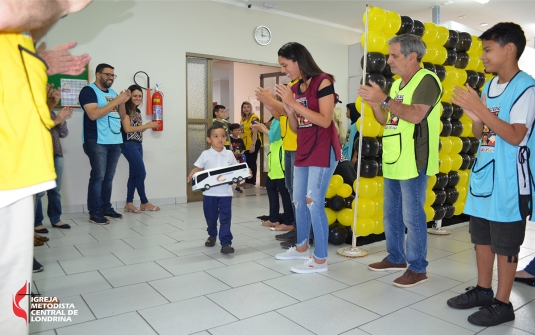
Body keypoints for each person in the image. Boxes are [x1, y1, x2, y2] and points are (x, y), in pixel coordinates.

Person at [0, 0, 92, 333]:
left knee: (11, 286)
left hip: (16, 158)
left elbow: (15, 25)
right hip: (8, 161)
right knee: (10, 288)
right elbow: (8, 12)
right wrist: (64, 4)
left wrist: (40, 61)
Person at [446, 22, 535, 327]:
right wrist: (474, 115)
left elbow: (514, 135)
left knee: (506, 244)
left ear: (509, 49)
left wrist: (480, 110)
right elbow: (481, 132)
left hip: (509, 181)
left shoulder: (527, 88)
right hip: (485, 173)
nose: (482, 56)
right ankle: (484, 291)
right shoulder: (488, 87)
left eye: (487, 49)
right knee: (481, 238)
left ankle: (503, 302)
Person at [358, 34, 442, 287]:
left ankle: (418, 268)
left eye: (394, 55)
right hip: (394, 158)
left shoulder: (426, 80)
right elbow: (389, 121)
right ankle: (396, 257)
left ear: (412, 56)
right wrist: (375, 104)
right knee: (390, 214)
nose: (389, 60)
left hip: (414, 160)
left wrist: (383, 99)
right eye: (389, 55)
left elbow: (415, 116)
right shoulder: (396, 85)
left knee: (412, 217)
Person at [273, 42, 341, 274]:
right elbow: (295, 127)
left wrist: (293, 104)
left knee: (313, 202)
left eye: (285, 65)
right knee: (299, 201)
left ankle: (320, 259)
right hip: (304, 147)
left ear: (298, 60)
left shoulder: (323, 81)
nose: (284, 70)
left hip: (323, 149)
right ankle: (301, 247)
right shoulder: (296, 87)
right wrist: (290, 110)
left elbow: (324, 120)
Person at [79, 63, 131, 225]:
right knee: (98, 177)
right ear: (98, 74)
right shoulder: (88, 91)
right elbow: (93, 114)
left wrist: (122, 102)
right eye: (107, 74)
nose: (110, 78)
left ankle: (106, 208)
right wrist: (115, 100)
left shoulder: (113, 93)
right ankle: (94, 213)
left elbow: (122, 116)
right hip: (96, 140)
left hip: (114, 141)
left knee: (108, 177)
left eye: (112, 75)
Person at [187, 124, 249, 254]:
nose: (220, 139)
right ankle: (212, 234)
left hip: (225, 193)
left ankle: (226, 242)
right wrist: (193, 172)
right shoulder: (205, 154)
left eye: (222, 136)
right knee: (211, 217)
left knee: (225, 218)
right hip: (209, 194)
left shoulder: (229, 154)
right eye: (216, 136)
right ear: (208, 139)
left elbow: (236, 169)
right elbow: (198, 167)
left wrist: (245, 173)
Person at [256, 81, 300, 248]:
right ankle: (295, 227)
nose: (284, 70)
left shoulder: (295, 100)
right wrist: (268, 101)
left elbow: (289, 112)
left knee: (294, 193)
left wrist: (271, 101)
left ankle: (296, 227)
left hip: (293, 149)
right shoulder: (280, 113)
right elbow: (278, 113)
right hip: (287, 150)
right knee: (289, 190)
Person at [34, 85, 73, 233]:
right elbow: (39, 130)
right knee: (38, 192)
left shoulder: (50, 112)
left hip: (56, 154)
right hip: (40, 156)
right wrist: (56, 120)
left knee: (55, 190)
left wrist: (61, 120)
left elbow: (63, 133)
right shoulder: (34, 111)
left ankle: (56, 219)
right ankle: (37, 222)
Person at [118, 84, 159, 214]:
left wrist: (146, 127)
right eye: (135, 96)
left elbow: (136, 130)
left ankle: (129, 203)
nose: (137, 98)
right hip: (127, 144)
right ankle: (144, 201)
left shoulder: (138, 111)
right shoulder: (125, 109)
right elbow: (127, 129)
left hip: (137, 144)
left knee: (134, 174)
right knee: (141, 173)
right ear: (129, 96)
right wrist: (146, 125)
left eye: (140, 96)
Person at [251, 118, 294, 230]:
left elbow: (274, 136)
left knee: (285, 192)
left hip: (280, 162)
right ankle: (274, 219)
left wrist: (262, 128)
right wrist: (262, 128)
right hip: (274, 161)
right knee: (270, 187)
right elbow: (272, 134)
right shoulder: (276, 120)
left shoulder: (282, 119)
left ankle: (289, 222)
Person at [240, 101, 262, 188]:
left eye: (248, 107)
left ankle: (252, 182)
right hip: (245, 143)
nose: (246, 109)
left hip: (253, 142)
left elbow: (255, 132)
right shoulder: (243, 119)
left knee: (252, 162)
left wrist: (253, 144)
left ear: (251, 108)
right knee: (246, 162)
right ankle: (247, 180)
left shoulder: (254, 118)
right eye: (244, 107)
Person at [229, 123, 246, 193]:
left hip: (239, 158)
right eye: (235, 130)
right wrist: (232, 153)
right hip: (231, 158)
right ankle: (229, 184)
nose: (237, 131)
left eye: (239, 130)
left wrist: (241, 153)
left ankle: (238, 186)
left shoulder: (241, 140)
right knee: (230, 171)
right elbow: (228, 149)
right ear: (231, 131)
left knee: (239, 171)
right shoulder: (229, 139)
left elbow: (244, 149)